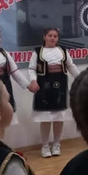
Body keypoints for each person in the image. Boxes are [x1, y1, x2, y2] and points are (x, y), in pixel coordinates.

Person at [28, 27, 80, 157]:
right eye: (50, 35)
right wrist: (33, 81)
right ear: (44, 37)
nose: (52, 38)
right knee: (45, 118)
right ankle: (45, 146)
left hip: (60, 85)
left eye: (55, 36)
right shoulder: (37, 52)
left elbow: (71, 66)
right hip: (43, 86)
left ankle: (56, 144)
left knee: (59, 117)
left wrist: (81, 79)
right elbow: (32, 68)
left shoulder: (63, 51)